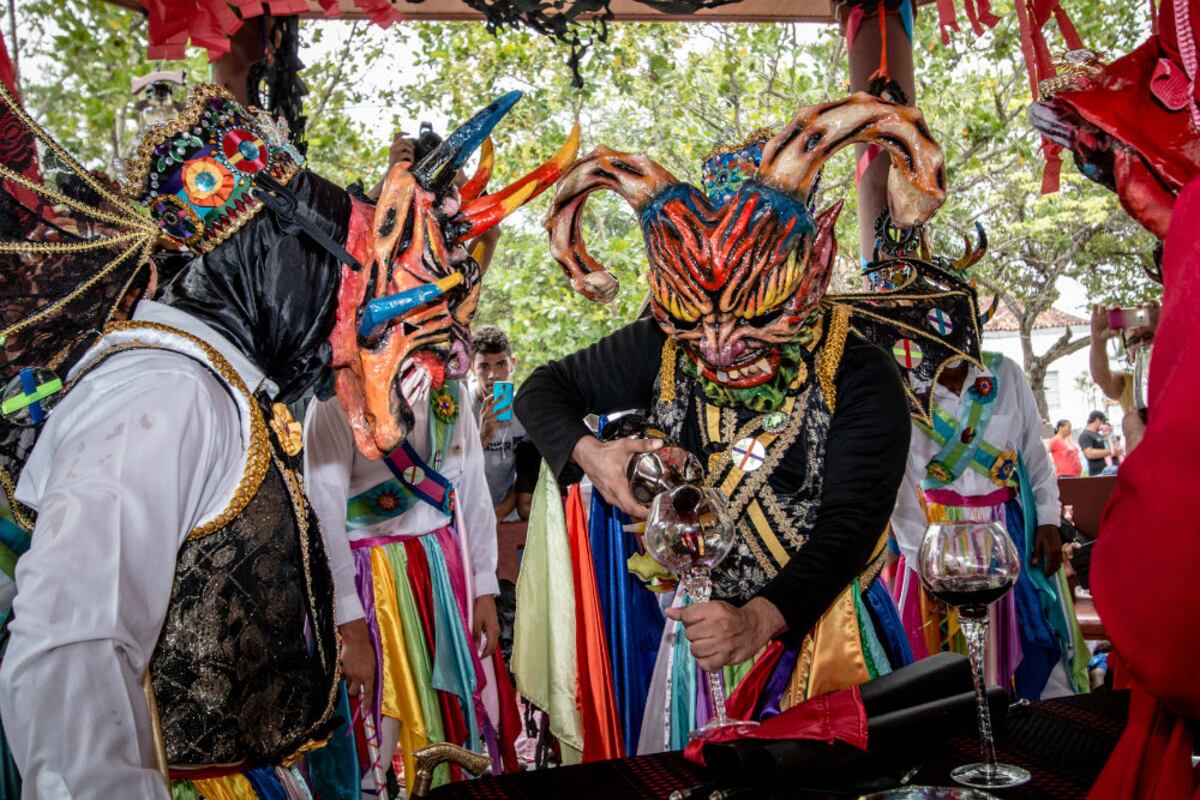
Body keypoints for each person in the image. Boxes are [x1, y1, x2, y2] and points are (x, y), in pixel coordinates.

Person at [0, 84, 572, 798]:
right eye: (342, 272)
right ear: (271, 256)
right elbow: (72, 652)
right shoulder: (162, 393)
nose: (348, 318)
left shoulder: (214, 386)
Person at [520, 94, 950, 751]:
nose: (718, 346)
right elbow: (543, 390)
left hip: (825, 636)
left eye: (754, 318)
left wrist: (756, 621)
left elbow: (847, 529)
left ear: (807, 272)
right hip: (698, 644)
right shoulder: (661, 347)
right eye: (692, 322)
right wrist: (595, 456)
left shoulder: (860, 374)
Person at [891, 355, 1089, 700]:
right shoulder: (902, 383)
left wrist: (1047, 521)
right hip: (939, 537)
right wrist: (920, 556)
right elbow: (899, 487)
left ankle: (1043, 729)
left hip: (1007, 530)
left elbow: (1033, 453)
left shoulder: (1005, 372)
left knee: (1036, 635)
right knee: (944, 652)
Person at [468, 325, 536, 521]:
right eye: (484, 366)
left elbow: (528, 474)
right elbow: (454, 470)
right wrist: (483, 437)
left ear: (512, 364)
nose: (493, 375)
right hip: (467, 515)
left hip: (508, 516)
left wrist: (498, 514)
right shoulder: (460, 409)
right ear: (472, 367)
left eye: (501, 364)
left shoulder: (524, 410)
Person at [1077, 411, 1120, 476]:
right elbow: (1089, 453)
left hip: (1112, 470)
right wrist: (1111, 452)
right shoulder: (1085, 435)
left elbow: (1113, 447)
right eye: (1103, 422)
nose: (1104, 425)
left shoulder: (1100, 435)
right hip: (1099, 473)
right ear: (1097, 420)